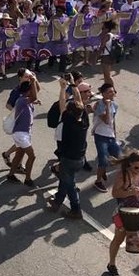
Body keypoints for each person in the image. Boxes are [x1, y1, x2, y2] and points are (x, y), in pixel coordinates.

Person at [47, 78, 90, 220]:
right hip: (80, 158)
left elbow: (61, 104)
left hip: (68, 158)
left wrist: (62, 88)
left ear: (70, 112)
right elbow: (79, 101)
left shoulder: (68, 121)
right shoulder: (84, 121)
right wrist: (73, 85)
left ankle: (76, 209)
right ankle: (57, 201)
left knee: (70, 184)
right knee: (65, 180)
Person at [91, 82, 123, 193]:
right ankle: (98, 181)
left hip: (110, 136)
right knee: (103, 160)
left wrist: (115, 134)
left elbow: (112, 122)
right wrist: (108, 106)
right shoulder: (98, 105)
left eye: (113, 91)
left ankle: (121, 179)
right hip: (100, 135)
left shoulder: (115, 105)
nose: (112, 93)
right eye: (109, 92)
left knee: (120, 158)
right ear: (103, 94)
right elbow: (106, 120)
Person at [6, 80, 38, 187]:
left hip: (25, 133)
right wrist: (33, 81)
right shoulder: (22, 100)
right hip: (21, 134)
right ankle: (28, 179)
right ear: (28, 91)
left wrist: (34, 81)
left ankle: (11, 175)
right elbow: (34, 97)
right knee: (32, 156)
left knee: (19, 155)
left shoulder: (26, 101)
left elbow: (34, 96)